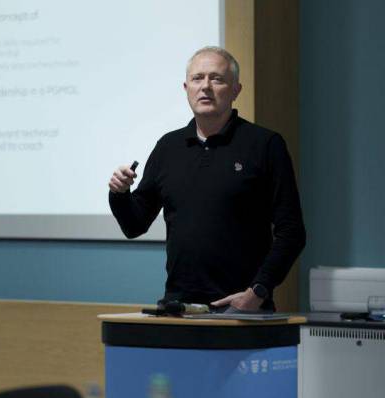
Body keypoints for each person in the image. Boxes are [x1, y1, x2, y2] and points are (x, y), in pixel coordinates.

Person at [108, 46, 306, 311]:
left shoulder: (265, 145)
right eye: (197, 78)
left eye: (217, 78)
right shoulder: (168, 147)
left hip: (241, 310)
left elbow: (292, 232)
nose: (206, 87)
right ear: (186, 87)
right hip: (178, 306)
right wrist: (119, 194)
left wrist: (258, 290)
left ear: (236, 90)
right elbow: (134, 225)